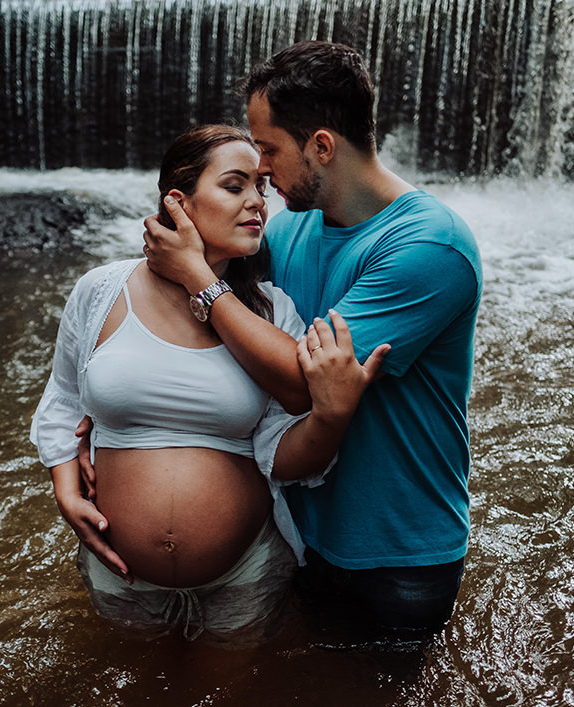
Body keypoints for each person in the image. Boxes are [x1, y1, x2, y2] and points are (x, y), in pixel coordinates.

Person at [142, 42, 482, 640]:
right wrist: (97, 422)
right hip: (297, 529)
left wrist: (196, 275)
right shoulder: (290, 226)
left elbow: (304, 381)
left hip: (398, 553)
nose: (261, 169)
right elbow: (217, 321)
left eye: (269, 149)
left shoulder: (429, 246)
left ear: (321, 146)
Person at [30, 124, 386, 644]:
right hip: (118, 570)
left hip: (243, 575)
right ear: (178, 203)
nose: (258, 202)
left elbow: (284, 457)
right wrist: (66, 491)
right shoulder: (101, 290)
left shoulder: (271, 312)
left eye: (260, 188)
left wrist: (332, 418)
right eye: (235, 186)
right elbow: (62, 400)